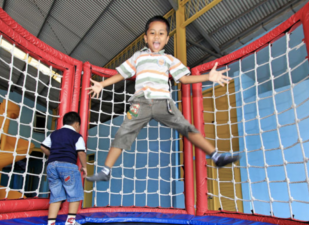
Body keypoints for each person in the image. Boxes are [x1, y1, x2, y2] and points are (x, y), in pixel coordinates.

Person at [86, 15, 239, 182]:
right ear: (146, 38)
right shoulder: (139, 56)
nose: (156, 37)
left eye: (161, 33)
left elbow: (184, 79)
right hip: (140, 104)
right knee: (123, 132)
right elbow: (122, 74)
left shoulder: (169, 59)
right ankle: (106, 170)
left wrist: (207, 77)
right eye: (152, 33)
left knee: (186, 127)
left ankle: (216, 156)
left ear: (166, 39)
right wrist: (102, 85)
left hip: (163, 103)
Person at [41, 111, 87, 225]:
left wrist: (53, 155)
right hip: (67, 167)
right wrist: (84, 166)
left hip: (51, 166)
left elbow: (43, 147)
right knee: (75, 192)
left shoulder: (54, 134)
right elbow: (81, 152)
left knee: (56, 195)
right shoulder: (77, 136)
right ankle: (71, 221)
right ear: (77, 124)